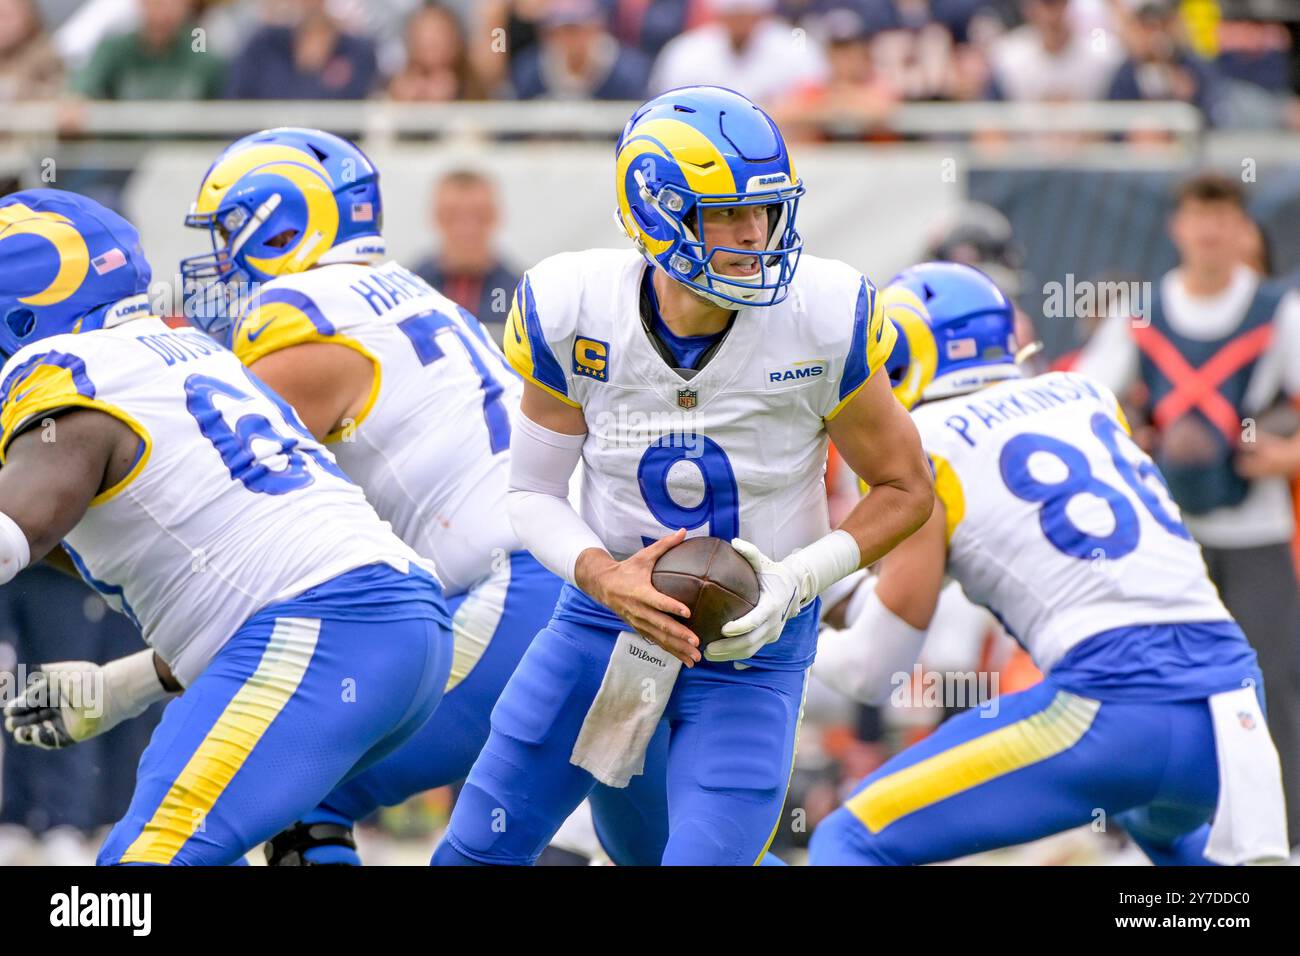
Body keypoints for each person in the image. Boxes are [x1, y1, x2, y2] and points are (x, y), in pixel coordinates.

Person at [431, 85, 934, 866]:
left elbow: (907, 488)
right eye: (726, 214)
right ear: (658, 213)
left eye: (763, 211)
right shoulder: (574, 309)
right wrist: (603, 579)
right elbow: (530, 493)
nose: (753, 234)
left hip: (751, 644)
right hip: (604, 627)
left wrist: (795, 582)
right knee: (475, 853)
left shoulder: (823, 314)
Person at [0, 188, 452, 865]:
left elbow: (17, 529)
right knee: (302, 838)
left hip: (317, 631)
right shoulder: (183, 354)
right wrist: (124, 685)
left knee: (129, 883)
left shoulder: (70, 377)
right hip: (400, 623)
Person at [809, 262, 1288, 866]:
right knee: (1167, 835)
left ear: (901, 354)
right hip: (1230, 703)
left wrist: (782, 625)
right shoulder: (1086, 395)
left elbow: (872, 673)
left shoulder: (923, 445)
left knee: (846, 839)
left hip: (1114, 707)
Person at [1076, 171, 1300, 847]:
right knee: (1153, 687)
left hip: (1257, 529)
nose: (1208, 231)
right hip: (1167, 538)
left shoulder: (1279, 310)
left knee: (1271, 683)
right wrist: (1133, 445)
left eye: (1223, 216)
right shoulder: (1140, 314)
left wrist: (1284, 457)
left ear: (1241, 228)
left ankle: (1282, 838)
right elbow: (1080, 405)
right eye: (1197, 216)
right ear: (1176, 226)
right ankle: (1140, 838)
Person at [410, 170, 521, 347]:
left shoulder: (522, 295)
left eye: (479, 216)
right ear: (436, 217)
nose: (466, 228)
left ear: (496, 217)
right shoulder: (409, 289)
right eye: (452, 216)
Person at [73, 0, 223, 101]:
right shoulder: (114, 48)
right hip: (127, 146)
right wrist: (76, 99)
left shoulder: (201, 50)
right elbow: (84, 84)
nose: (164, 10)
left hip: (188, 147)